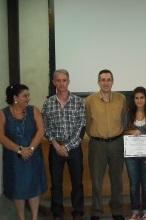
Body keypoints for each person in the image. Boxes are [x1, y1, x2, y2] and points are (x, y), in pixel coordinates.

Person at [0, 84, 47, 220]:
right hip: (14, 159)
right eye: (25, 96)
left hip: (33, 156)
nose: (28, 99)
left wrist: (30, 149)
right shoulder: (3, 114)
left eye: (28, 95)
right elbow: (0, 136)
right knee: (17, 188)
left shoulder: (33, 111)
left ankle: (35, 217)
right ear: (15, 98)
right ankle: (21, 218)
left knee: (34, 186)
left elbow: (41, 130)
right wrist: (20, 150)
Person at [42, 69, 86, 220]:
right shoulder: (48, 103)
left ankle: (78, 212)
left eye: (64, 80)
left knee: (77, 183)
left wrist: (66, 147)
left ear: (68, 82)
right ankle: (58, 213)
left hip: (74, 148)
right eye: (58, 80)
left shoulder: (79, 102)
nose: (61, 83)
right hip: (55, 148)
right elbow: (45, 127)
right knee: (56, 184)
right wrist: (56, 145)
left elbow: (82, 127)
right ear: (54, 82)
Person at [85, 69, 126, 220]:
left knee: (117, 180)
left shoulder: (121, 98)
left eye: (108, 80)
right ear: (98, 82)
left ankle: (117, 211)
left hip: (117, 143)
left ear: (112, 82)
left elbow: (122, 119)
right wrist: (98, 137)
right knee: (96, 180)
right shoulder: (90, 100)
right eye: (103, 80)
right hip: (97, 145)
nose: (106, 83)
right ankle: (96, 211)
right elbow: (88, 122)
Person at [123, 87, 146, 220]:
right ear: (133, 99)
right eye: (136, 98)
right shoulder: (128, 113)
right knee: (133, 184)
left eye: (141, 97)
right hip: (131, 156)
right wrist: (130, 132)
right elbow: (123, 131)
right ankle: (135, 211)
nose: (139, 100)